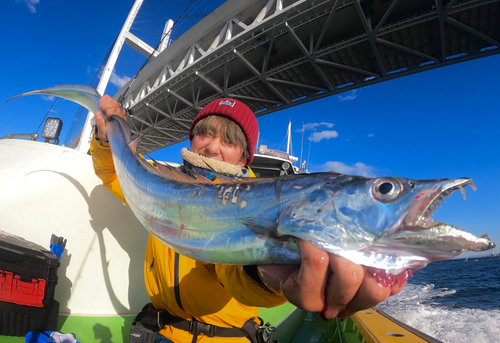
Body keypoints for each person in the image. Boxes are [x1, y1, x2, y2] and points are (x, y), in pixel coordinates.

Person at [91, 96, 406, 343]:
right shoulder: (158, 180)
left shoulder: (253, 203)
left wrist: (267, 274)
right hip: (159, 333)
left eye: (228, 140)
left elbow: (235, 272)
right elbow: (112, 172)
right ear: (191, 139)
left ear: (244, 157)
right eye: (204, 133)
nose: (212, 147)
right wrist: (107, 137)